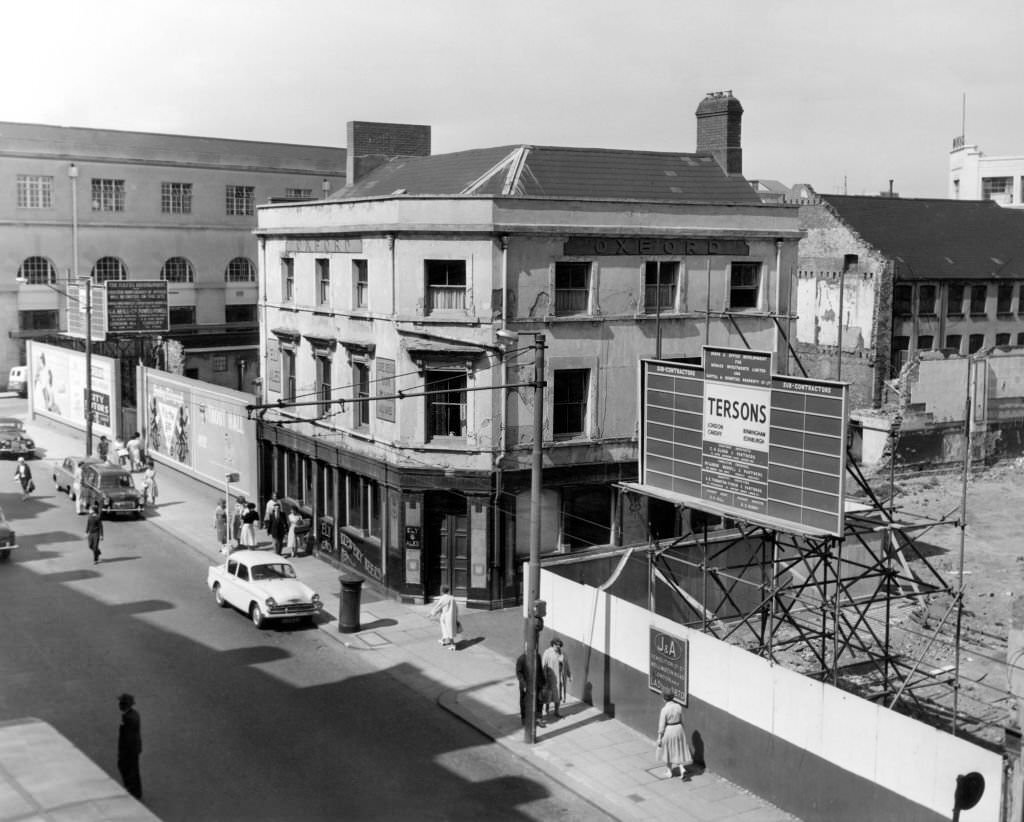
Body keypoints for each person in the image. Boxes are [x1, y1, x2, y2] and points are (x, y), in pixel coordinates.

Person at [656, 688, 692, 780]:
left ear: (664, 698)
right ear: (673, 697)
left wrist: (659, 737)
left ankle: (669, 771)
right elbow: (683, 720)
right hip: (679, 729)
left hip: (669, 729)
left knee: (667, 750)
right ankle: (682, 768)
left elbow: (661, 725)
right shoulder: (678, 707)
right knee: (678, 749)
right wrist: (682, 730)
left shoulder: (664, 710)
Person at [117, 693, 143, 800]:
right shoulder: (134, 714)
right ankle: (136, 790)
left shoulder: (128, 718)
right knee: (133, 769)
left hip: (129, 749)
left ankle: (132, 790)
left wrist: (123, 751)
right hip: (134, 748)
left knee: (126, 768)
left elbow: (127, 737)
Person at [541, 637, 572, 719]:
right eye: (556, 645)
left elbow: (567, 665)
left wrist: (569, 675)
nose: (558, 647)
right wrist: (543, 678)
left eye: (559, 645)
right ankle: (546, 709)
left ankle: (556, 711)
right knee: (548, 694)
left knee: (558, 696)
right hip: (550, 678)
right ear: (553, 644)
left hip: (559, 679)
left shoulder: (562, 653)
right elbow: (543, 665)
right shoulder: (547, 653)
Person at [515, 651, 545, 727]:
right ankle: (524, 718)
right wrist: (524, 685)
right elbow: (519, 673)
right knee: (524, 702)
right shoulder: (521, 659)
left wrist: (543, 683)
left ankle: (538, 718)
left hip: (537, 683)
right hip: (526, 685)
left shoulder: (538, 656)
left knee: (539, 701)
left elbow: (540, 670)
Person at [429, 585, 459, 650]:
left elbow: (438, 606)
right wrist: (456, 617)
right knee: (447, 629)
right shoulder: (452, 598)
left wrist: (431, 613)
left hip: (445, 617)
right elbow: (456, 608)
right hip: (451, 617)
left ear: (442, 591)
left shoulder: (443, 598)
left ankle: (453, 645)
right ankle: (443, 640)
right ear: (449, 590)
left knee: (447, 630)